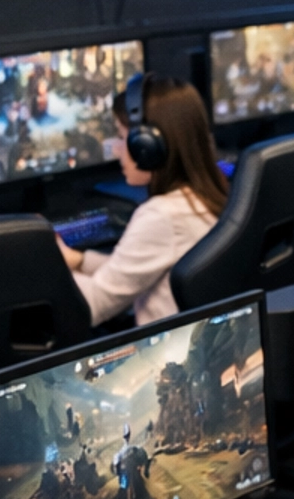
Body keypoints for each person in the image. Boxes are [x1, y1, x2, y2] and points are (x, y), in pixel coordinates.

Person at [61, 74, 225, 329]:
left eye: (121, 136)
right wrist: (80, 261)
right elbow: (137, 272)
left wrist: (47, 268)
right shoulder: (207, 196)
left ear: (147, 145)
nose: (116, 149)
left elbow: (91, 306)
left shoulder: (162, 216)